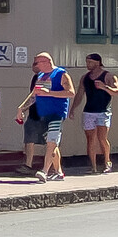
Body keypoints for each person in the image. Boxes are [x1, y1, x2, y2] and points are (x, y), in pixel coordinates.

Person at [16, 51, 76, 182]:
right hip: (42, 114)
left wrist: (49, 93)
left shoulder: (61, 74)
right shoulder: (41, 76)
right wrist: (22, 108)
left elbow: (71, 92)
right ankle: (59, 172)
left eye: (38, 62)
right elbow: (34, 95)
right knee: (52, 144)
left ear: (47, 62)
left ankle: (44, 171)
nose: (36, 65)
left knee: (51, 142)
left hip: (56, 113)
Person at [79, 53, 118, 174]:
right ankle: (93, 166)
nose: (88, 65)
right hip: (89, 111)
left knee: (102, 138)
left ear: (97, 62)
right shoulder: (85, 77)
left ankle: (107, 161)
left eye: (90, 62)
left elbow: (117, 91)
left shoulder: (108, 76)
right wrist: (73, 108)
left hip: (103, 111)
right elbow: (80, 94)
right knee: (90, 139)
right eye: (87, 62)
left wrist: (104, 87)